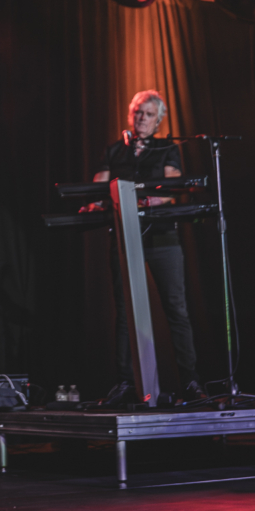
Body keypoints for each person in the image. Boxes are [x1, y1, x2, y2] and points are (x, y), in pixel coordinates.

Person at [91, 90, 204, 405]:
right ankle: (126, 383)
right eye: (138, 112)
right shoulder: (115, 151)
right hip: (126, 237)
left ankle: (191, 382)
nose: (141, 118)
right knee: (125, 313)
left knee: (176, 310)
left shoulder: (167, 149)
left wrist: (152, 199)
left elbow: (173, 187)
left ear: (158, 121)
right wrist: (96, 203)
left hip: (162, 238)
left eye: (148, 114)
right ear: (130, 115)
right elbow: (99, 185)